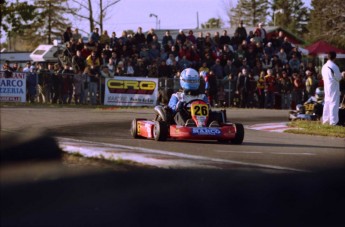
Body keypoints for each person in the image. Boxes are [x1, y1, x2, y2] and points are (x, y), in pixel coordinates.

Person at [321, 51, 343, 125]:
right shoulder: (334, 66)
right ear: (335, 57)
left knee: (327, 103)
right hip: (333, 87)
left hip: (326, 86)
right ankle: (333, 122)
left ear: (328, 57)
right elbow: (338, 78)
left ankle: (325, 120)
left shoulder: (324, 66)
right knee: (334, 103)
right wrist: (342, 75)